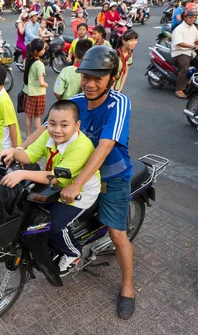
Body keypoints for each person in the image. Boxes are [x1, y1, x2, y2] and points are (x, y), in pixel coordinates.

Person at [22, 45, 136, 319]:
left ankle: (128, 287)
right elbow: (46, 125)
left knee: (117, 234)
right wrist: (20, 152)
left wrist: (77, 184)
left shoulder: (118, 103)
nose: (91, 83)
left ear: (112, 77)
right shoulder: (76, 101)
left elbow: (106, 145)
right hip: (73, 170)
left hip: (110, 176)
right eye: (86, 76)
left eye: (99, 77)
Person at [0, 100, 101, 274]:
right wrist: (13, 151)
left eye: (64, 125)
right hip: (58, 185)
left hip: (80, 192)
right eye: (52, 124)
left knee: (55, 226)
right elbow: (30, 156)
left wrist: (21, 174)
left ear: (77, 125)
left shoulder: (81, 147)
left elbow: (52, 175)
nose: (57, 130)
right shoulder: (49, 135)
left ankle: (73, 253)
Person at [171, 9, 198, 99]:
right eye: (190, 17)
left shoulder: (193, 27)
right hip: (180, 52)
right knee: (185, 68)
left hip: (190, 51)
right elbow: (179, 43)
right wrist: (193, 46)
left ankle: (194, 83)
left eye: (194, 17)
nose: (192, 19)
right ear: (185, 18)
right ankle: (179, 90)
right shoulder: (179, 29)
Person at [23, 39, 48, 136]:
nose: (44, 51)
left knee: (28, 116)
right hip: (37, 93)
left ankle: (29, 135)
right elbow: (42, 82)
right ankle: (38, 137)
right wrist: (46, 85)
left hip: (28, 91)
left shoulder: (27, 60)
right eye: (42, 49)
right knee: (37, 117)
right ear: (36, 51)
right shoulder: (39, 64)